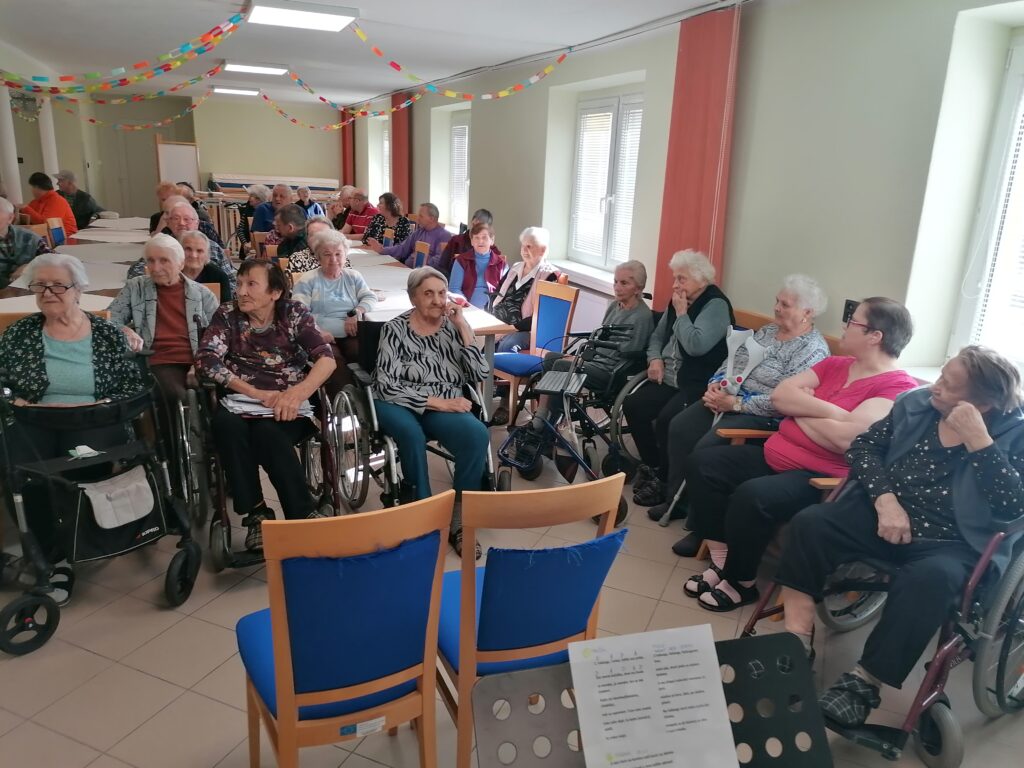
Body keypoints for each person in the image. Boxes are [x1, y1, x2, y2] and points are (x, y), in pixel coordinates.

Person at [776, 346, 1024, 729]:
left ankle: (864, 683)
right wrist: (885, 500)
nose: (935, 387)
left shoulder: (1015, 434)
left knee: (931, 579)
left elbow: (1012, 506)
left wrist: (980, 441)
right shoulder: (916, 404)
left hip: (954, 542)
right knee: (812, 524)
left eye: (949, 385)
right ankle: (796, 638)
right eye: (940, 375)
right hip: (886, 515)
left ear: (983, 404)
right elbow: (865, 447)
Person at [681, 298, 918, 613]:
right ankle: (723, 561)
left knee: (753, 495)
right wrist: (835, 414)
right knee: (703, 463)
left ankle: (741, 583)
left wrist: (802, 410)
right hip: (775, 454)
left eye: (853, 322)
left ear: (875, 336)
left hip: (820, 478)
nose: (845, 326)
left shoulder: (895, 387)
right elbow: (780, 396)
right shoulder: (835, 364)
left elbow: (847, 440)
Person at [648, 275, 832, 533]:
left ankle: (701, 523)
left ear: (807, 312)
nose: (776, 308)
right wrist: (716, 383)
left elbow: (786, 401)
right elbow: (733, 359)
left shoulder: (813, 351)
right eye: (777, 301)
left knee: (705, 448)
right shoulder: (768, 331)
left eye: (785, 305)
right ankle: (676, 501)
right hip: (727, 397)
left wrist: (736, 403)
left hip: (760, 414)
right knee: (680, 427)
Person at [196, 260, 337, 551]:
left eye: (251, 284)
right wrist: (254, 392)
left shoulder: (293, 313)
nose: (241, 291)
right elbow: (206, 360)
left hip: (288, 402)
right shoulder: (227, 315)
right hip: (241, 399)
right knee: (225, 426)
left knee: (268, 433)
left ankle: (301, 514)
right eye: (239, 283)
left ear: (275, 292)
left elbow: (326, 358)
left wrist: (297, 394)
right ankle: (257, 513)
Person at [373, 267, 490, 558]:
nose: (437, 300)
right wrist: (438, 402)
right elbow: (386, 385)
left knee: (476, 434)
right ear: (413, 298)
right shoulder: (394, 330)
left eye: (442, 293)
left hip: (444, 404)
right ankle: (423, 515)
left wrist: (463, 327)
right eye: (428, 294)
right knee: (411, 435)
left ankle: (460, 520)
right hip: (397, 402)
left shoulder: (454, 328)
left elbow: (481, 372)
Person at [0, 253, 144, 464]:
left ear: (78, 290)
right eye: (40, 285)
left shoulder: (108, 333)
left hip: (94, 419)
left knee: (85, 462)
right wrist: (16, 402)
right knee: (26, 465)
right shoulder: (19, 332)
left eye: (58, 285)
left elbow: (134, 384)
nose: (47, 293)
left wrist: (106, 404)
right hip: (33, 419)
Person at [626, 250, 734, 507]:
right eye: (675, 278)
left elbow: (697, 345)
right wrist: (654, 358)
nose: (675, 285)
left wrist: (683, 314)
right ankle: (654, 466)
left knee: (667, 420)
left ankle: (666, 483)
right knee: (633, 405)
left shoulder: (715, 305)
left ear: (701, 279)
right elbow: (656, 336)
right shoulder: (679, 300)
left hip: (696, 382)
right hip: (669, 376)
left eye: (681, 279)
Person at [528, 260, 654, 477]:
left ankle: (544, 425)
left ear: (639, 288)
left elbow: (630, 352)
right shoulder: (614, 306)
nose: (617, 287)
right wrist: (583, 355)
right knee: (550, 358)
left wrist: (582, 359)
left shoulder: (642, 316)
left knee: (561, 366)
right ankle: (544, 418)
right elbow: (601, 336)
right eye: (615, 282)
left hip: (612, 371)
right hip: (595, 361)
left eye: (624, 283)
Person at [108, 234, 219, 439]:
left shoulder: (203, 294)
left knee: (224, 396)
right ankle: (173, 450)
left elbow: (219, 335)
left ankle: (208, 440)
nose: (155, 267)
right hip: (158, 359)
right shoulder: (136, 287)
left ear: (180, 263)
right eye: (151, 261)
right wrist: (126, 330)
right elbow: (109, 319)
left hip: (197, 359)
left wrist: (199, 364)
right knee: (173, 394)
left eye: (164, 260)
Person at [292, 230, 377, 392]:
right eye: (327, 254)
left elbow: (369, 297)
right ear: (318, 257)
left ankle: (371, 395)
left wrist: (356, 312)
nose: (333, 259)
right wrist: (317, 331)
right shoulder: (308, 280)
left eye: (338, 254)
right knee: (333, 362)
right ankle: (348, 400)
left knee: (365, 354)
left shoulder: (353, 276)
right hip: (321, 337)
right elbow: (298, 313)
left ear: (345, 256)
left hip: (351, 334)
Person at [128, 202, 235, 290]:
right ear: (168, 223)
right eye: (176, 218)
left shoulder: (213, 247)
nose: (182, 223)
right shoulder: (160, 246)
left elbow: (232, 280)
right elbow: (134, 275)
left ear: (197, 224)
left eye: (187, 219)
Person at [493, 226, 560, 353]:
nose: (524, 250)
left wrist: (511, 328)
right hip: (499, 324)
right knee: (472, 335)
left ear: (542, 250)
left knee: (506, 346)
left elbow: (542, 316)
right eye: (523, 245)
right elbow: (496, 295)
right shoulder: (515, 268)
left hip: (524, 330)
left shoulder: (549, 276)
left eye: (529, 246)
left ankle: (493, 366)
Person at [365, 203, 450, 268]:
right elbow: (402, 248)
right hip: (408, 269)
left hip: (425, 274)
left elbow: (440, 261)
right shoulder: (419, 232)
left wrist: (421, 259)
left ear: (431, 218)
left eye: (421, 216)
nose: (417, 218)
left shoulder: (444, 235)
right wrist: (382, 250)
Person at [449, 222, 508, 309]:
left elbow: (505, 292)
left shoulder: (501, 264)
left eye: (484, 237)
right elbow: (454, 289)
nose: (480, 241)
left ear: (492, 240)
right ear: (472, 241)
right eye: (476, 238)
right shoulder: (461, 261)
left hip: (493, 310)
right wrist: (465, 304)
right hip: (467, 308)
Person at [0, 197, 52, 288]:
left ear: (10, 218)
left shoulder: (28, 237)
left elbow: (53, 259)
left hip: (30, 289)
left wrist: (29, 266)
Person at [439, 209, 501, 277]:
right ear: (473, 221)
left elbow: (498, 269)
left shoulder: (491, 247)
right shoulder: (456, 241)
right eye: (477, 224)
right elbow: (442, 266)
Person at [180, 230, 232, 302]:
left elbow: (225, 306)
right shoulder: (172, 274)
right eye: (188, 249)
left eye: (199, 251)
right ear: (179, 251)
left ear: (207, 255)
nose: (193, 255)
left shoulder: (219, 277)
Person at [237, 184, 271, 255]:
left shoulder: (268, 211)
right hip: (250, 247)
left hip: (266, 245)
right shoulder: (248, 209)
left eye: (251, 196)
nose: (249, 199)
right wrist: (245, 243)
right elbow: (240, 229)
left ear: (259, 198)